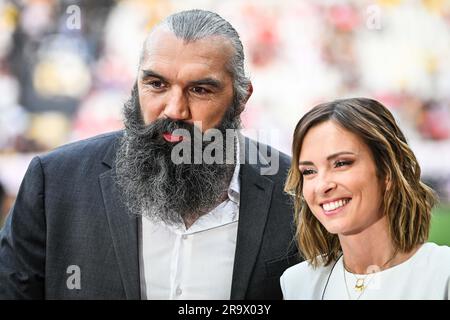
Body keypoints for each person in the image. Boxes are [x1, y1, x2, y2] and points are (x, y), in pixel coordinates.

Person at [0, 10, 300, 299]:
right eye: (156, 84)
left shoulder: (295, 194)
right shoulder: (55, 182)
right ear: (136, 86)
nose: (174, 109)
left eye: (200, 90)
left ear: (241, 97)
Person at [281, 98, 450, 300]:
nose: (322, 185)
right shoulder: (297, 283)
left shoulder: (442, 273)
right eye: (309, 171)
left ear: (387, 171)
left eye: (341, 163)